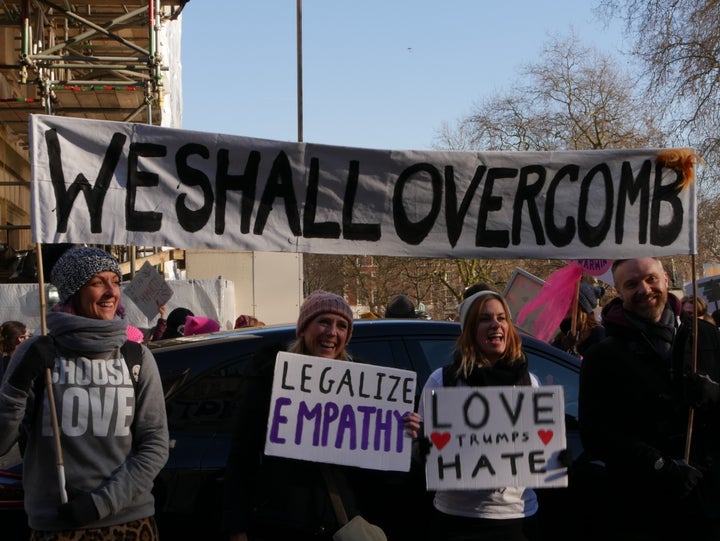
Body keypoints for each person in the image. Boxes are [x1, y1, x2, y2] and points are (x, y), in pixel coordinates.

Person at [221, 290, 420, 540]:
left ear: (347, 336)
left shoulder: (365, 389)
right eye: (323, 322)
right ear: (304, 328)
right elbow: (242, 459)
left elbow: (383, 479)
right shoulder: (270, 380)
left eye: (342, 326)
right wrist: (237, 528)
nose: (331, 332)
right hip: (281, 525)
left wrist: (401, 435)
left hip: (339, 525)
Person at [0, 246, 169, 539]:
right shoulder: (35, 354)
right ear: (72, 292)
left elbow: (155, 445)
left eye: (115, 281)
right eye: (96, 282)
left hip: (129, 523)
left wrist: (100, 504)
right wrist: (17, 383)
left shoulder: (136, 357)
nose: (111, 292)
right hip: (57, 526)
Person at [578, 258, 720, 540]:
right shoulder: (602, 356)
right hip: (643, 506)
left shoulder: (708, 336)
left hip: (710, 502)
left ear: (666, 279)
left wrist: (715, 394)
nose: (644, 289)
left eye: (651, 279)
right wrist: (657, 464)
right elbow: (595, 433)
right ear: (619, 291)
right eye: (631, 284)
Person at [416, 290, 541, 541]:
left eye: (501, 317)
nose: (495, 324)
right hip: (457, 518)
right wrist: (421, 442)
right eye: (485, 319)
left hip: (516, 517)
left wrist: (552, 456)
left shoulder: (529, 383)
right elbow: (422, 457)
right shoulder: (442, 381)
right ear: (470, 330)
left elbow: (536, 448)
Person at [551, 283, 606, 357]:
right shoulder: (564, 333)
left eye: (570, 302)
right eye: (563, 300)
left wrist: (574, 351)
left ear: (581, 308)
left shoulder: (598, 334)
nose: (564, 305)